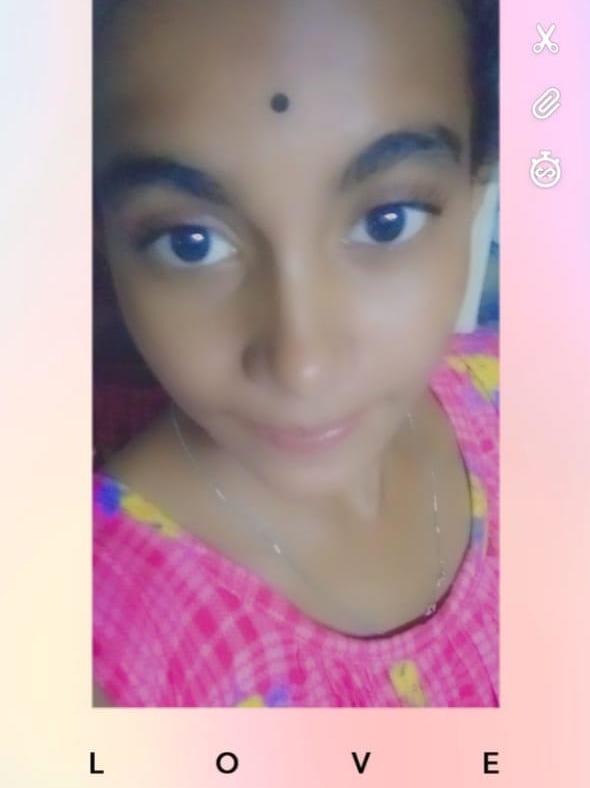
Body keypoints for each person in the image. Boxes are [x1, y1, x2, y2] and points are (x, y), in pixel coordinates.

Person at [92, 0, 499, 707]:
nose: (301, 366)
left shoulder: (518, 402)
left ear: (475, 185)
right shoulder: (103, 631)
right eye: (190, 243)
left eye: (387, 221)